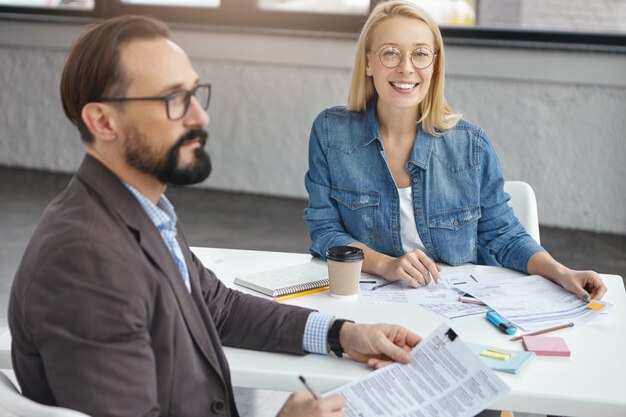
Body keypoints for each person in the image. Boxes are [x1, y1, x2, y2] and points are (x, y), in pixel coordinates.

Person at [8, 15, 422, 417]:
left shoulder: (143, 212)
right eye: (173, 100)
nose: (200, 117)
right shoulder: (85, 261)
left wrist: (342, 334)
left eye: (193, 93)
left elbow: (218, 308)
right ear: (102, 121)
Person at [304, 0, 606, 301]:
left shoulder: (470, 145)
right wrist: (386, 264)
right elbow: (325, 233)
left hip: (456, 307)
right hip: (368, 302)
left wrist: (563, 273)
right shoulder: (331, 133)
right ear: (368, 62)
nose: (406, 67)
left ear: (434, 65)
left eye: (420, 54)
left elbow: (504, 237)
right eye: (390, 53)